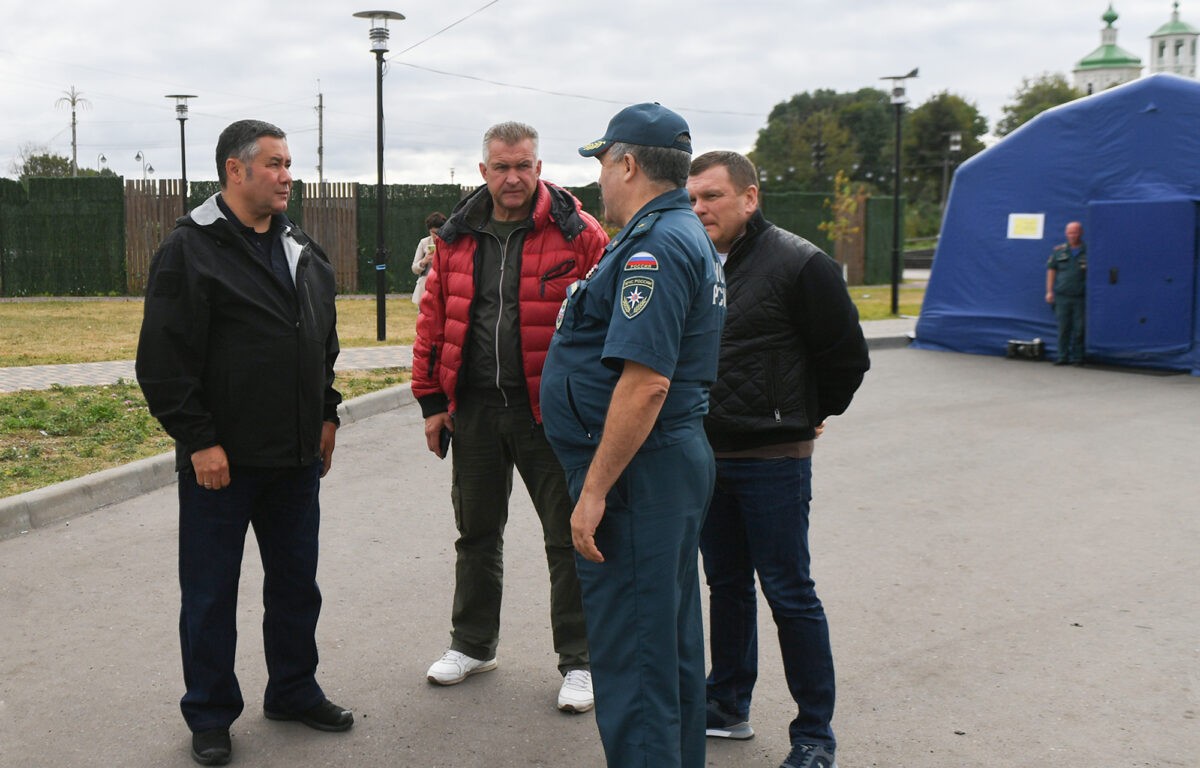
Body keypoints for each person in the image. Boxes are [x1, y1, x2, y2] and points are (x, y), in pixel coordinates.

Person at [135, 119, 351, 767]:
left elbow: (322, 342)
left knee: (296, 586)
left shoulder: (299, 247)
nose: (289, 176)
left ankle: (292, 688)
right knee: (210, 593)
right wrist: (198, 440)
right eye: (276, 164)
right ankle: (209, 713)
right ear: (236, 169)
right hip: (219, 465)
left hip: (294, 460)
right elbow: (163, 360)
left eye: (290, 165)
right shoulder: (190, 250)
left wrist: (327, 414)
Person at [540, 103, 726, 768]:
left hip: (636, 475)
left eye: (602, 164)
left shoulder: (655, 245)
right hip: (657, 468)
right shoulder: (672, 232)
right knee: (665, 643)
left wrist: (593, 492)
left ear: (627, 162)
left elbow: (646, 384)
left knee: (637, 657)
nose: (597, 182)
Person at [411, 121, 608, 712]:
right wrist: (430, 401)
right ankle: (472, 645)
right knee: (475, 534)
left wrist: (593, 407)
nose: (513, 177)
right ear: (483, 171)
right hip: (472, 409)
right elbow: (434, 317)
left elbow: (608, 324)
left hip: (549, 415)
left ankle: (580, 661)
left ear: (540, 167)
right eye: (501, 166)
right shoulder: (456, 234)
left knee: (567, 538)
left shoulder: (580, 232)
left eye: (523, 165)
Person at [687, 151, 869, 768]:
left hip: (773, 456)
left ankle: (814, 734)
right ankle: (727, 703)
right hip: (709, 455)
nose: (700, 208)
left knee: (789, 592)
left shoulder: (800, 262)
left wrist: (813, 411)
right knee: (727, 586)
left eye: (712, 196)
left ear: (750, 197)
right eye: (693, 198)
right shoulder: (696, 259)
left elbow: (846, 354)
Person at [1045, 221, 1087, 365]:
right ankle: (1062, 356)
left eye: (1075, 232)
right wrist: (1049, 291)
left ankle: (1078, 357)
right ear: (1065, 234)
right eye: (1070, 232)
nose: (1072, 235)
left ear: (1081, 233)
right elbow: (1051, 271)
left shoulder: (1089, 251)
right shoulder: (1059, 251)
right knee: (1063, 328)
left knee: (1080, 328)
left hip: (1081, 296)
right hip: (1062, 296)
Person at [411, 211, 447, 304]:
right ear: (429, 231)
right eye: (433, 232)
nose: (436, 236)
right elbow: (414, 268)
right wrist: (424, 261)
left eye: (439, 232)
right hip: (425, 287)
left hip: (442, 286)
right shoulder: (424, 243)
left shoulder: (448, 243)